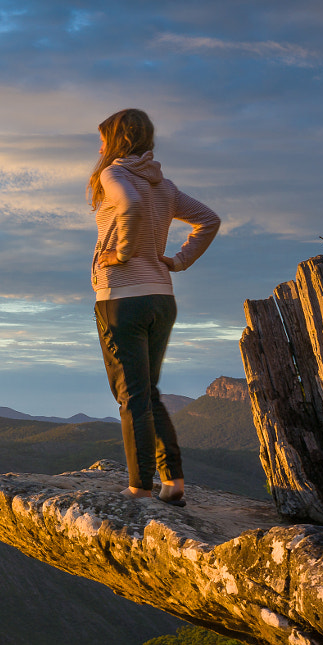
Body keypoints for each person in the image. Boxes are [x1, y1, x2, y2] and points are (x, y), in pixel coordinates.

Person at [88, 108, 219, 505]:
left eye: (102, 139)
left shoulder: (114, 175)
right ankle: (173, 482)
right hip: (161, 297)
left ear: (115, 140)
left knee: (132, 396)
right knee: (149, 393)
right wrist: (177, 261)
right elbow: (208, 220)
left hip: (122, 298)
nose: (99, 147)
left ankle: (139, 488)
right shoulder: (165, 186)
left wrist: (122, 253)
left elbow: (128, 205)